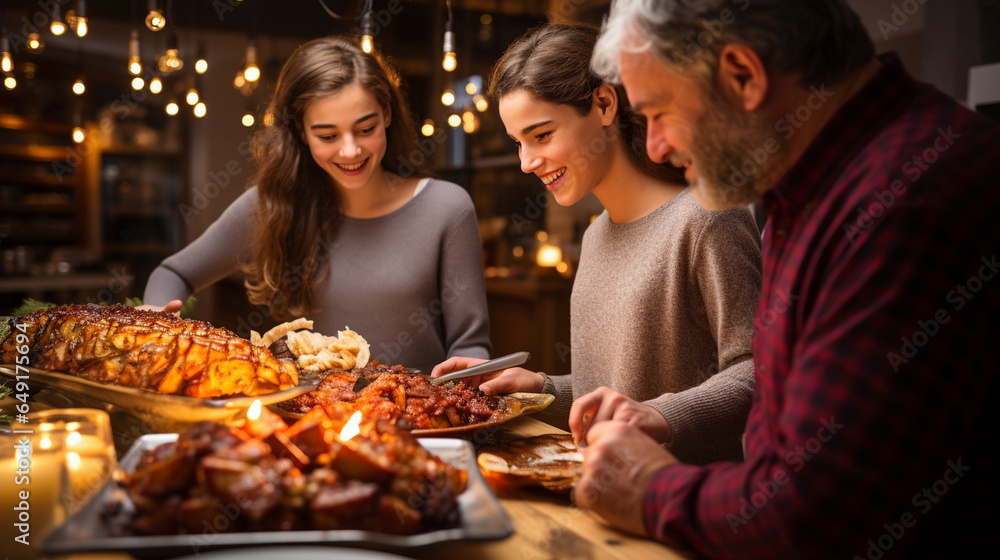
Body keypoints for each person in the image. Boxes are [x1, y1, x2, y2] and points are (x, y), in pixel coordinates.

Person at [574, 0, 1000, 558]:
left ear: (743, 76)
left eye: (657, 111)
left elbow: (815, 514)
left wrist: (649, 487)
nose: (654, 144)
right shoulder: (804, 192)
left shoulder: (899, 205)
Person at [432, 23, 761, 465]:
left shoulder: (706, 218)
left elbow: (756, 370)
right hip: (600, 502)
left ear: (604, 104)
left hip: (682, 508)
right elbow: (613, 392)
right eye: (518, 142)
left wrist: (658, 416)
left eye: (542, 135)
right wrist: (541, 389)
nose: (526, 163)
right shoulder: (595, 235)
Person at [143, 36, 491, 373]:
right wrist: (157, 322)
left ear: (386, 113)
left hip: (417, 420)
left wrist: (471, 373)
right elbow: (173, 273)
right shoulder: (273, 205)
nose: (351, 150)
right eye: (328, 136)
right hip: (311, 420)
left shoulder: (447, 207)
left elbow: (470, 348)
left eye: (366, 128)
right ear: (300, 131)